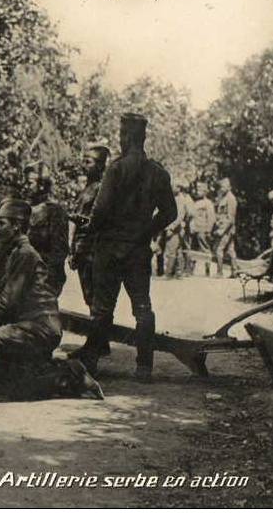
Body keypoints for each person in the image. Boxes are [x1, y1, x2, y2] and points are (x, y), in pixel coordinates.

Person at [0, 199, 102, 409]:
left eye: (2, 223)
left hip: (41, 328)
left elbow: (7, 302)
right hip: (30, 326)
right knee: (6, 386)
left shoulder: (25, 255)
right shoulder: (12, 250)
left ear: (16, 226)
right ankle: (69, 371)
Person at [71, 112, 177, 383]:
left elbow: (101, 209)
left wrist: (91, 232)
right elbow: (170, 213)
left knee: (102, 308)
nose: (119, 140)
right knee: (142, 307)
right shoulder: (158, 172)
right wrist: (145, 232)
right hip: (138, 250)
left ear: (127, 137)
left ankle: (91, 362)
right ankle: (144, 367)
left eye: (120, 135)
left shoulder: (115, 169)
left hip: (109, 249)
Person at [69, 143, 111, 310]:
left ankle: (99, 333)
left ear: (100, 165)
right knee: (89, 296)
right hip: (83, 248)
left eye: (89, 162)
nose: (84, 166)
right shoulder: (88, 188)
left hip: (93, 249)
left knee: (95, 297)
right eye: (84, 161)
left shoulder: (103, 189)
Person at [24, 161, 69, 297]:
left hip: (46, 278)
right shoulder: (23, 209)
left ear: (42, 185)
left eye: (30, 183)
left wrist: (45, 278)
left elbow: (59, 251)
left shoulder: (55, 211)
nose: (26, 187)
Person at [188, 181, 216, 276]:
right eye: (197, 189)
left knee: (205, 249)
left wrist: (209, 230)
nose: (197, 191)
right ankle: (191, 269)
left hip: (203, 229)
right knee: (193, 249)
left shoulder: (208, 203)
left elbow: (211, 218)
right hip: (194, 229)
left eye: (200, 190)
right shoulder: (196, 202)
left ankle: (207, 270)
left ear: (205, 192)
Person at [162, 178, 188, 278]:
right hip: (174, 228)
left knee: (171, 250)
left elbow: (180, 216)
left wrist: (171, 228)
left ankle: (168, 273)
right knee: (178, 250)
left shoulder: (180, 200)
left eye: (173, 186)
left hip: (175, 229)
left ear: (178, 188)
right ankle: (178, 272)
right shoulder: (174, 198)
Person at [213, 177, 239, 278]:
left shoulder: (231, 199)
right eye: (221, 186)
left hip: (226, 229)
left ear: (229, 187)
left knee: (219, 249)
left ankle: (220, 272)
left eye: (224, 186)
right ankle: (234, 272)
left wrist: (222, 231)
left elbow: (231, 218)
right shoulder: (224, 198)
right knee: (230, 250)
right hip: (225, 228)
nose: (222, 188)